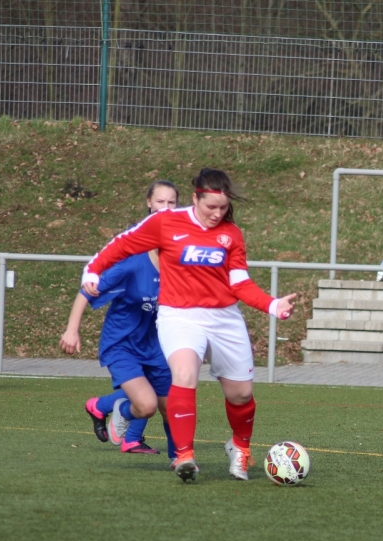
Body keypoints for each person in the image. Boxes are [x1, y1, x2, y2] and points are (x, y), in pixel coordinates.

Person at [81, 168, 296, 482]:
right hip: (179, 315)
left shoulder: (231, 234)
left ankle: (240, 447)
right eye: (211, 207)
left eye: (223, 208)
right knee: (184, 374)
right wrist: (92, 271)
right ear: (195, 198)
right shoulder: (165, 222)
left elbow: (239, 283)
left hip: (224, 317)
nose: (217, 214)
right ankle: (184, 456)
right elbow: (122, 245)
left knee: (240, 394)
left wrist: (273, 305)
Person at [60, 181, 180, 458]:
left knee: (171, 408)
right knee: (146, 404)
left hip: (158, 346)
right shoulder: (131, 261)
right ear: (148, 203)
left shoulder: (180, 265)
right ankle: (116, 410)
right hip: (123, 344)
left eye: (172, 203)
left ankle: (180, 459)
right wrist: (72, 330)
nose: (165, 209)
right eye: (160, 202)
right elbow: (87, 291)